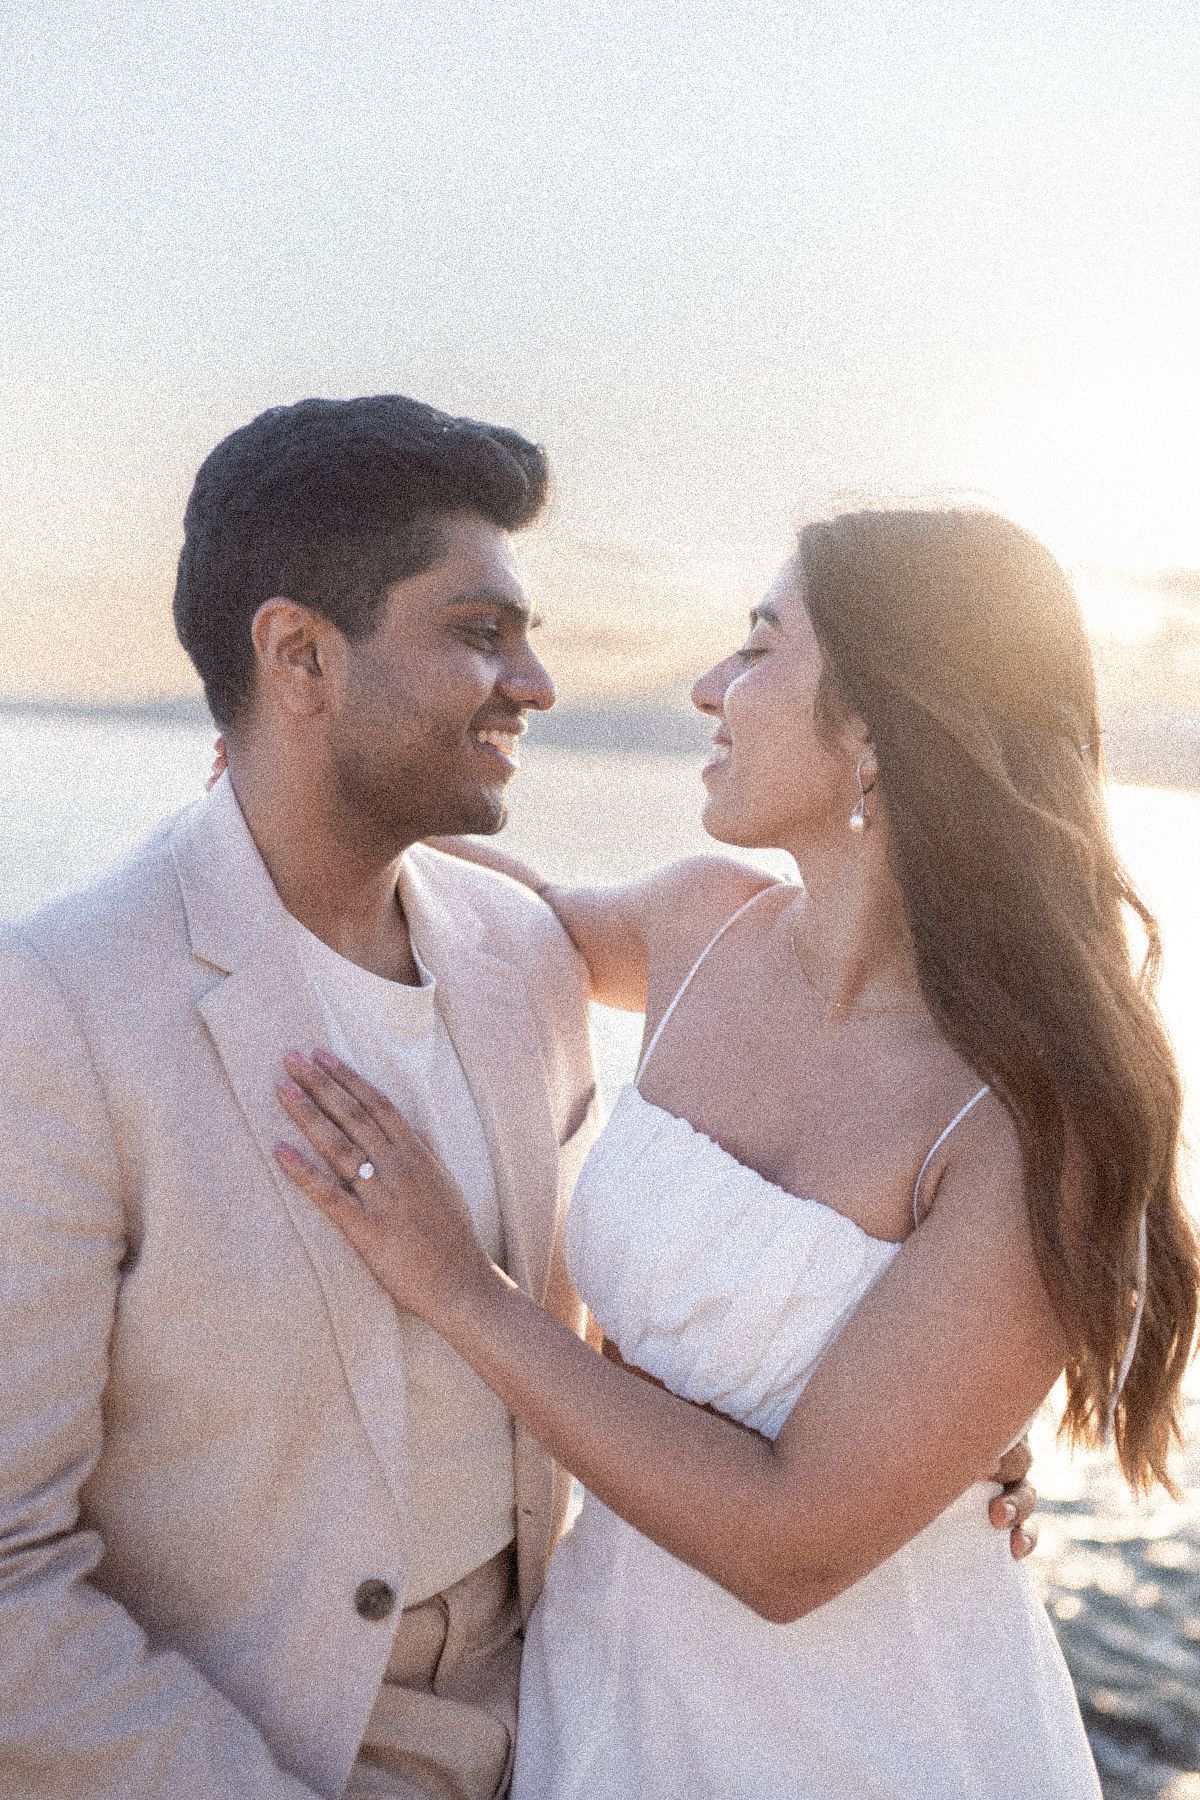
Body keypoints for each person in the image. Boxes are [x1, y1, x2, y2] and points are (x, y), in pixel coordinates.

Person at [0, 395, 1033, 1800]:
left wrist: (944, 1401)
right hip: (291, 1741)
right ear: (299, 656)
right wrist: (251, 792)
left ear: (876, 733)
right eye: (482, 631)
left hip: (626, 1721)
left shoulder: (529, 963)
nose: (541, 685)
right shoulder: (65, 1006)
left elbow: (730, 1419)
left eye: (757, 646)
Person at [274, 506, 1199, 1798]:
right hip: (607, 1689)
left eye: (760, 649)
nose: (710, 687)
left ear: (873, 726)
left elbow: (789, 1549)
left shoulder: (1028, 1126)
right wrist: (299, 781)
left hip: (872, 1741)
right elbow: (489, 914)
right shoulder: (701, 925)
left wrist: (459, 1288)